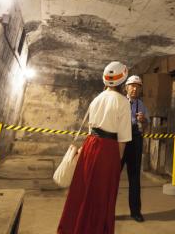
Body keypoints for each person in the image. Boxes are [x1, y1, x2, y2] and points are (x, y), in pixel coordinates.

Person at [58, 61, 132, 234]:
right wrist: (117, 161)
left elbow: (91, 129)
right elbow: (122, 139)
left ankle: (74, 227)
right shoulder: (122, 102)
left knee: (83, 191)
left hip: (90, 145)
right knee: (102, 195)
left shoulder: (96, 99)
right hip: (108, 150)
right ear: (123, 80)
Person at [121, 75, 149, 222]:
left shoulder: (141, 105)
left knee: (134, 178)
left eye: (137, 87)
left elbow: (146, 125)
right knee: (113, 177)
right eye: (132, 86)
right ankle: (106, 210)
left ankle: (135, 212)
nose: (134, 89)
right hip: (120, 141)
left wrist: (143, 120)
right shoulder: (120, 102)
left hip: (135, 141)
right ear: (126, 87)